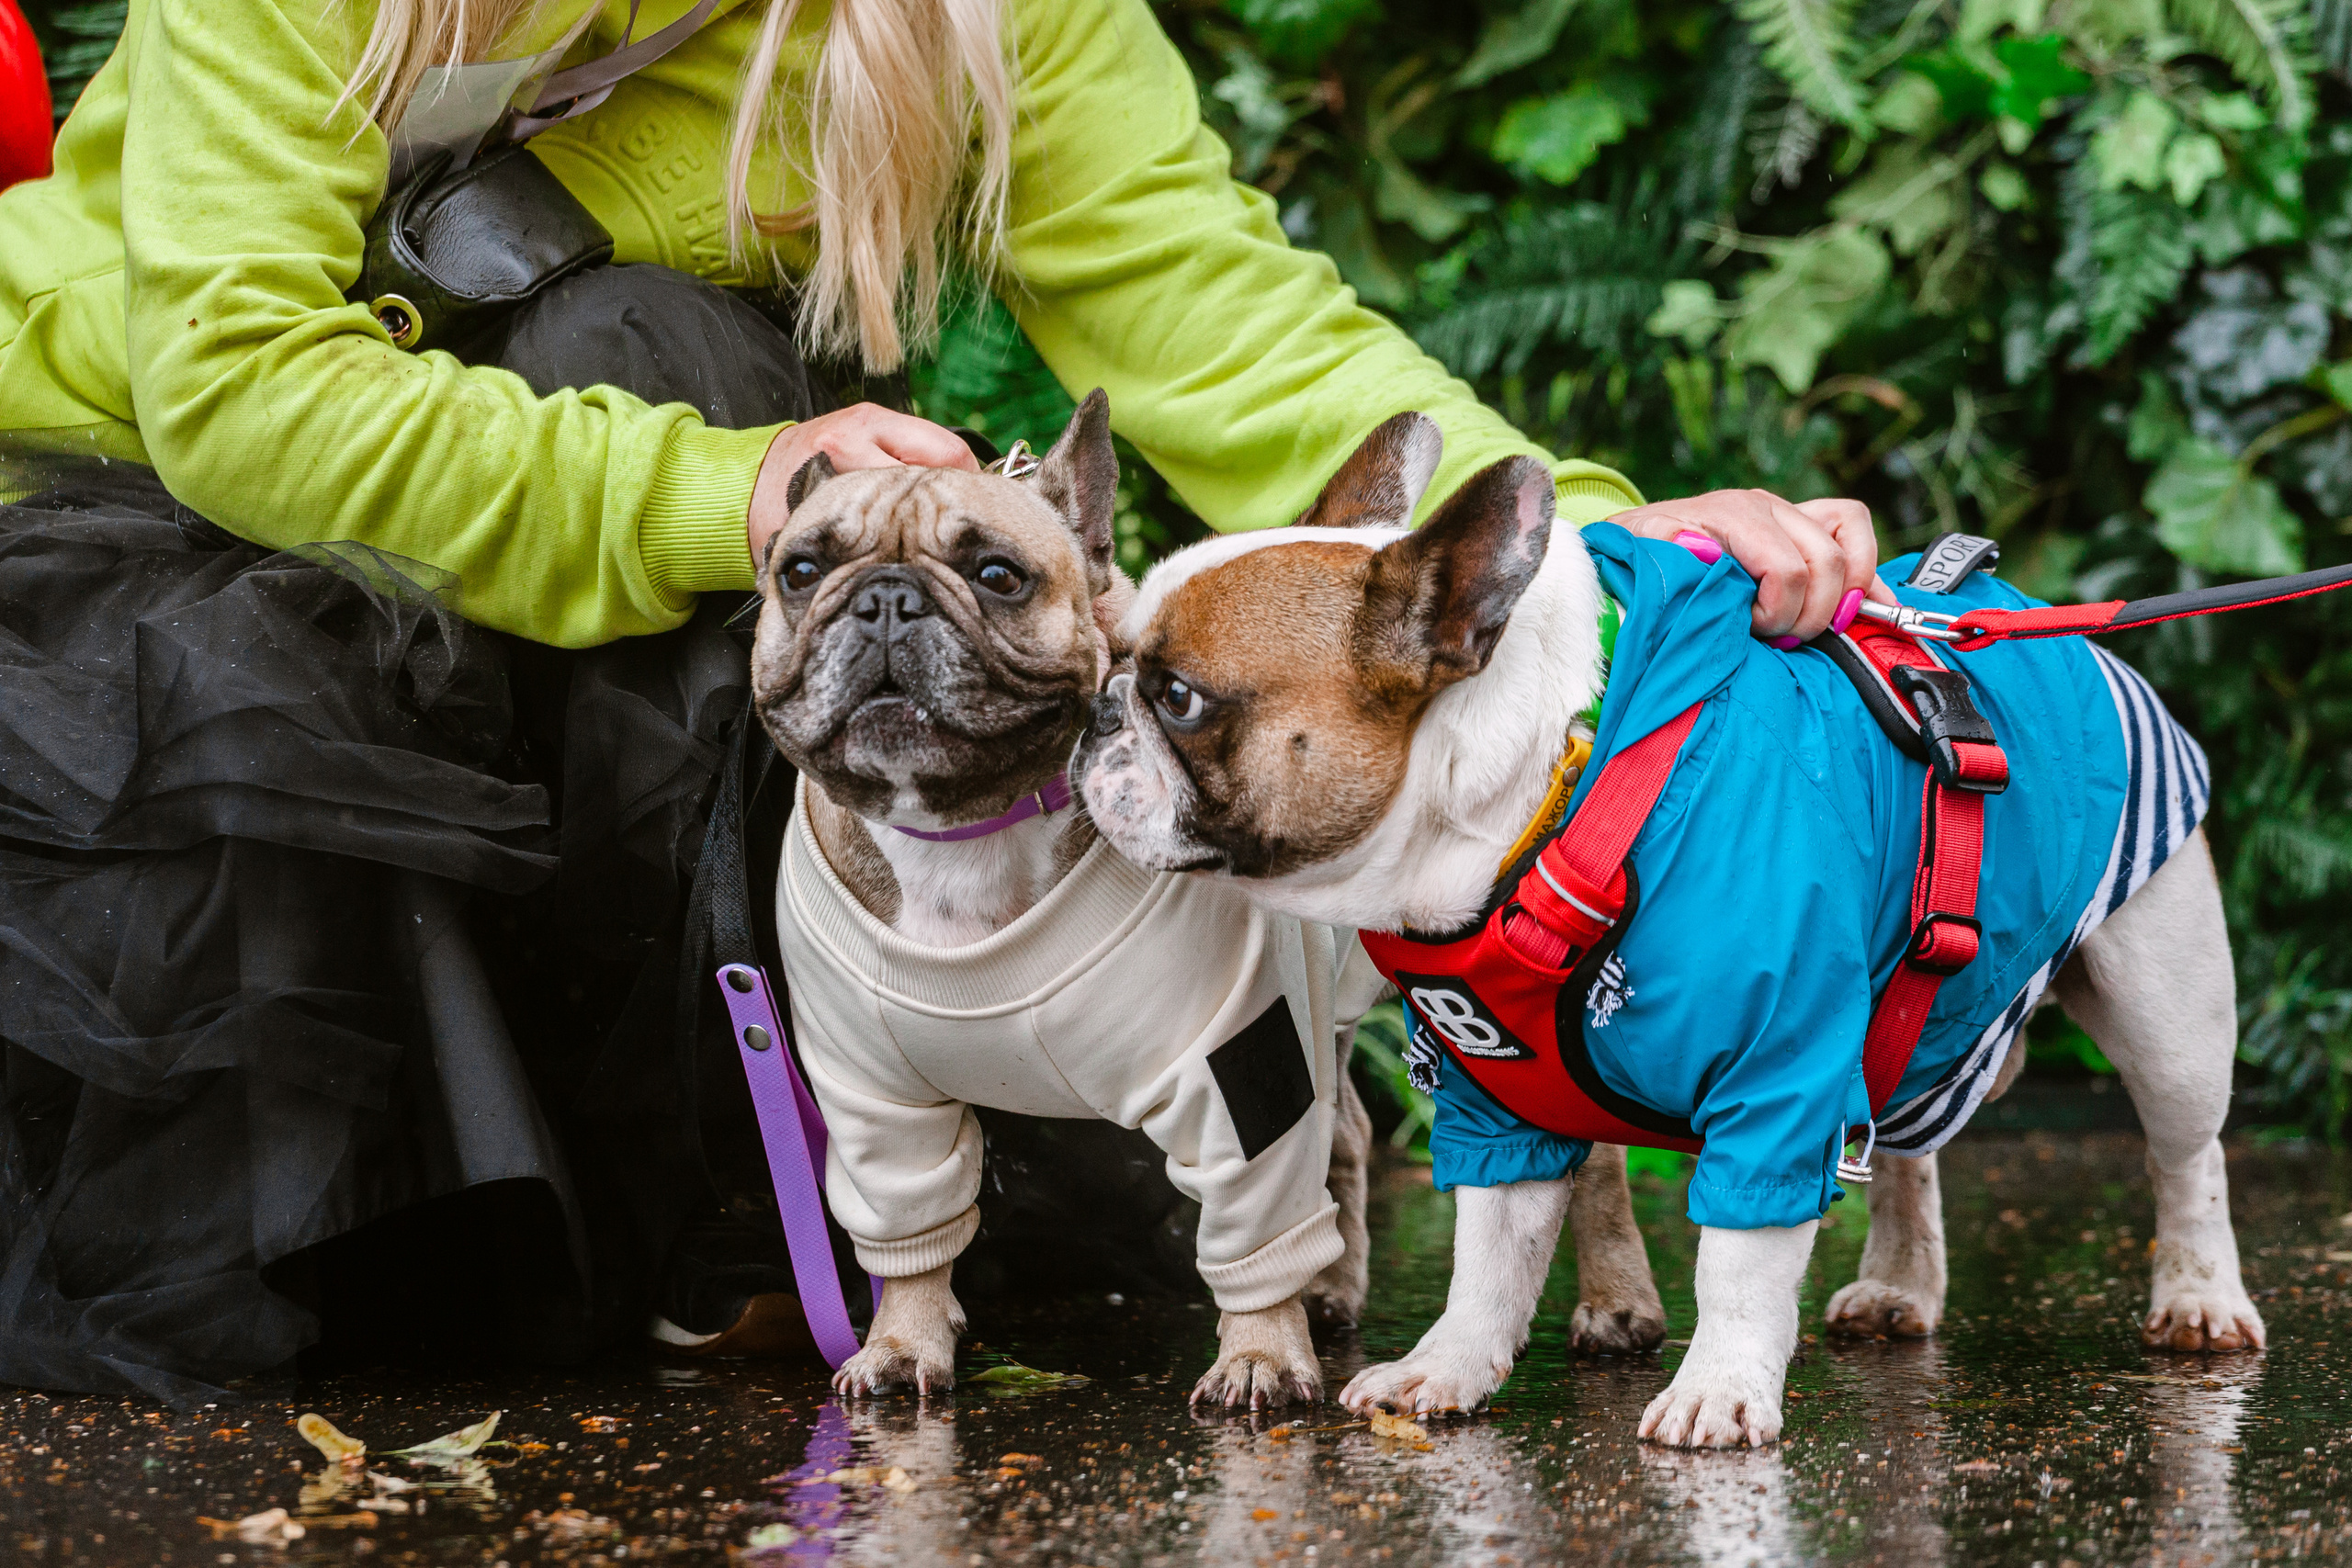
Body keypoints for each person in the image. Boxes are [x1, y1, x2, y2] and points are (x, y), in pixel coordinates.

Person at [0, 0, 1883, 1404]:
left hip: (645, 504)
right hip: (173, 507)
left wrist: (1610, 556)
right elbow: (234, 378)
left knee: (691, 390)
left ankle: (710, 1212)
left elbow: (1226, 328)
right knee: (662, 403)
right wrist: (717, 497)